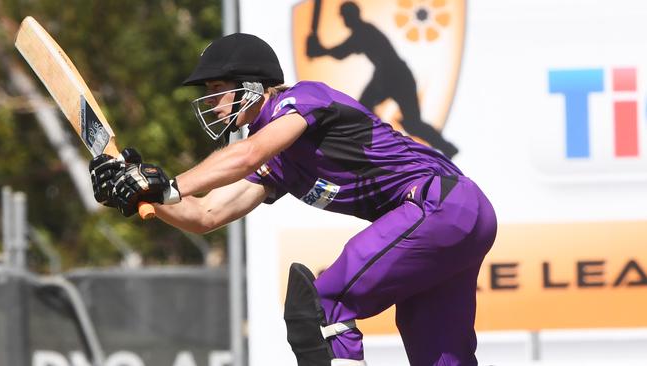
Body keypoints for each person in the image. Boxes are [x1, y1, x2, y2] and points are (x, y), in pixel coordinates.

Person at [89, 32, 497, 366]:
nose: (211, 102)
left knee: (326, 301)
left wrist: (170, 185)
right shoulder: (278, 163)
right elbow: (206, 213)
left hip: (440, 206)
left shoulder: (300, 99)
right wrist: (143, 193)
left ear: (252, 86)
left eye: (217, 89)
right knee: (441, 357)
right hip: (456, 221)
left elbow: (248, 153)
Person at [306, 1, 459, 159]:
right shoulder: (362, 31)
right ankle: (371, 148)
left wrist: (318, 50)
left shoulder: (364, 31)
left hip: (393, 76)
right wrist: (320, 50)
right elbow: (342, 52)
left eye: (345, 16)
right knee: (366, 112)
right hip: (393, 75)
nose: (343, 20)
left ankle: (444, 148)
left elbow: (341, 52)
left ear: (351, 16)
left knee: (383, 117)